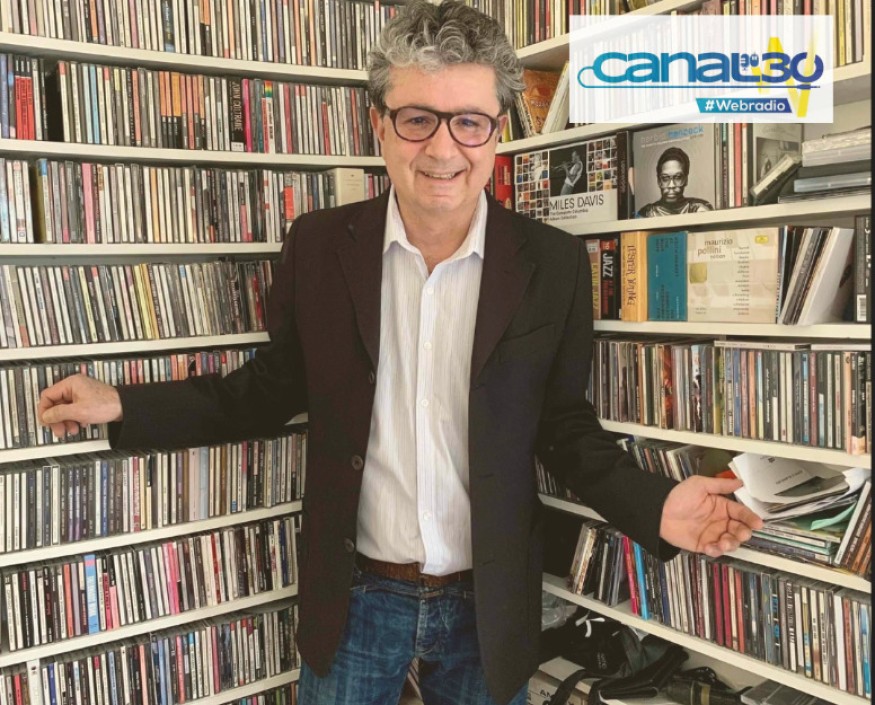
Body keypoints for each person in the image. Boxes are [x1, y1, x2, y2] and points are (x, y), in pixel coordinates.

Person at [38, 3, 762, 704]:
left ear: (497, 132)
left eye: (469, 122)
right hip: (356, 596)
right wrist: (123, 404)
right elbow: (266, 390)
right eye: (417, 119)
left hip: (489, 602)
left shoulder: (554, 263)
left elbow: (564, 426)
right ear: (379, 124)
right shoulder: (318, 246)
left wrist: (655, 505)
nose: (443, 149)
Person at [636, 146, 714, 217]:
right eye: (665, 178)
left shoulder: (698, 208)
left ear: (686, 180)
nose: (671, 185)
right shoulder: (647, 213)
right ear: (659, 181)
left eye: (678, 177)